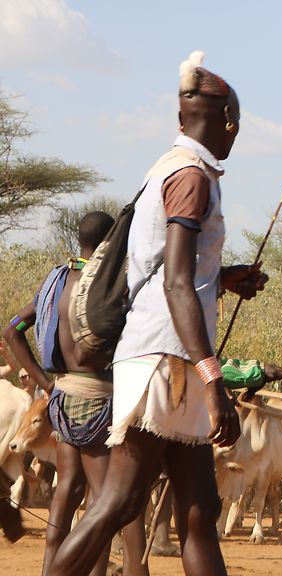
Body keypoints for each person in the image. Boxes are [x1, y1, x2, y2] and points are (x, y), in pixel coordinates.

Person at [47, 52, 267, 576]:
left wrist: (225, 276)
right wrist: (213, 380)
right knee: (118, 503)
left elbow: (170, 269)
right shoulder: (192, 176)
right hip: (167, 361)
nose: (235, 136)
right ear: (228, 122)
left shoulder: (167, 168)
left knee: (199, 510)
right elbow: (174, 281)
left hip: (164, 356)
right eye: (236, 125)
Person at [3, 211, 149, 576]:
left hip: (62, 399)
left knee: (67, 492)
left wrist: (43, 380)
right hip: (100, 400)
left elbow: (12, 329)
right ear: (110, 244)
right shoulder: (108, 286)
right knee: (108, 501)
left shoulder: (55, 284)